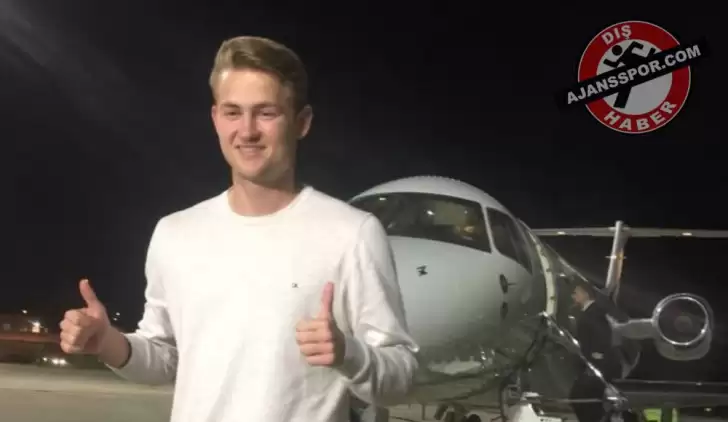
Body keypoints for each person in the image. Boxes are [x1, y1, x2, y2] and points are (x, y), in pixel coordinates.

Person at [58, 35, 420, 421]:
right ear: (215, 118)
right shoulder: (175, 234)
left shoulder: (352, 233)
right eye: (233, 112)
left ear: (302, 122)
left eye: (266, 113)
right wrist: (107, 341)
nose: (247, 131)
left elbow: (401, 375)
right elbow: (165, 358)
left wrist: (350, 354)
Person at [569, 281, 631, 422]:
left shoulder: (595, 312)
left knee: (580, 396)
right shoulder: (590, 311)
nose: (573, 296)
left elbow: (602, 334)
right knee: (586, 399)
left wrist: (597, 356)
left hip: (599, 365)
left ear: (585, 294)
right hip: (595, 364)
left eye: (576, 293)